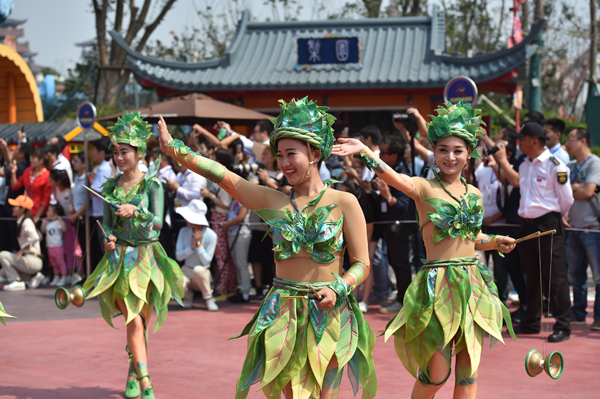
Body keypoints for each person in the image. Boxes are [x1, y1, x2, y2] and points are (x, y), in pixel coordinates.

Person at [158, 97, 377, 399]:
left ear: (314, 153)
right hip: (282, 312)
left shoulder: (345, 202)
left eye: (292, 154)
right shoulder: (272, 200)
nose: (284, 163)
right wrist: (174, 149)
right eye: (280, 155)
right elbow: (223, 175)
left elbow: (362, 264)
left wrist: (340, 287)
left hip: (329, 312)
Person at [333, 101, 517, 399]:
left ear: (469, 155)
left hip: (473, 287)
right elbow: (396, 179)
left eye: (458, 150)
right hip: (438, 289)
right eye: (443, 150)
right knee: (436, 375)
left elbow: (473, 240)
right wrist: (367, 153)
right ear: (434, 152)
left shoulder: (475, 194)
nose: (450, 156)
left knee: (468, 376)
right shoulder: (424, 187)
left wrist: (495, 242)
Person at [82, 112, 184, 399]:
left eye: (124, 151)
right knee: (134, 321)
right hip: (121, 263)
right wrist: (109, 240)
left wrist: (136, 210)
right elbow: (106, 229)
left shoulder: (153, 186)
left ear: (139, 153)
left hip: (149, 260)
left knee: (142, 323)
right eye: (115, 152)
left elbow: (158, 222)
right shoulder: (111, 188)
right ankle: (147, 384)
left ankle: (131, 374)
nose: (119, 157)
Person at [494, 122, 574, 342]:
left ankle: (563, 325)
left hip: (548, 223)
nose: (519, 142)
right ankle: (531, 322)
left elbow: (566, 198)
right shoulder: (526, 165)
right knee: (533, 275)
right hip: (527, 223)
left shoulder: (554, 165)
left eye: (523, 138)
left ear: (535, 141)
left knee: (555, 277)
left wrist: (560, 217)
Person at [564, 128, 600, 331]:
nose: (567, 144)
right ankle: (578, 313)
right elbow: (561, 191)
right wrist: (576, 188)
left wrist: (577, 188)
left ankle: (598, 316)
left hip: (593, 228)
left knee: (598, 275)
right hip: (574, 227)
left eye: (571, 139)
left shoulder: (595, 163)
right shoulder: (569, 165)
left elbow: (588, 191)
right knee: (575, 274)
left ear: (583, 141)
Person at [175, 199, 218, 311]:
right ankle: (187, 297)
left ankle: (209, 298)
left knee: (199, 270)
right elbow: (178, 256)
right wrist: (192, 246)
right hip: (186, 270)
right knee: (177, 278)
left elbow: (207, 262)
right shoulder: (183, 231)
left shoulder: (211, 235)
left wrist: (198, 245)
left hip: (202, 272)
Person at [0, 195, 44, 291]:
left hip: (33, 259)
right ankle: (33, 277)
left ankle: (16, 281)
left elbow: (36, 237)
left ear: (22, 209)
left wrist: (21, 250)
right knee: (3, 272)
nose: (13, 208)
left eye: (15, 206)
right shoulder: (23, 221)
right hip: (31, 259)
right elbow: (39, 236)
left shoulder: (26, 222)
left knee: (2, 255)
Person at [49, 169, 81, 283]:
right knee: (67, 249)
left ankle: (80, 273)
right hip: (64, 222)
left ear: (58, 180)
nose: (50, 182)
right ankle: (69, 274)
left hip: (74, 221)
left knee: (77, 249)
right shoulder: (55, 190)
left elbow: (76, 203)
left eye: (51, 180)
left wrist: (72, 208)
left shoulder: (71, 189)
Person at [89, 137, 113, 270]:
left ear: (102, 152)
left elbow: (95, 191)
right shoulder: (106, 167)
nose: (92, 153)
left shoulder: (104, 168)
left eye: (94, 150)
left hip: (102, 214)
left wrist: (90, 179)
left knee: (106, 247)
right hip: (104, 213)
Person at [223, 197, 252, 303]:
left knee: (241, 264)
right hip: (233, 233)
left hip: (241, 233)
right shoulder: (234, 199)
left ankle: (245, 293)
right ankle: (241, 290)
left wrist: (226, 225)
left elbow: (241, 217)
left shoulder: (242, 198)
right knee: (237, 264)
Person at [67, 152, 86, 282]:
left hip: (83, 216)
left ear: (84, 163)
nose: (74, 164)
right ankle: (82, 273)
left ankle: (87, 274)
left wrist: (76, 214)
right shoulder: (76, 178)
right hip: (76, 215)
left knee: (86, 247)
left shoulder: (87, 178)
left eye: (76, 161)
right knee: (79, 246)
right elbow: (76, 197)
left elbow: (87, 201)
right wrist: (71, 205)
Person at [41, 203, 67, 286]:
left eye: (48, 211)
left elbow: (64, 229)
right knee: (53, 263)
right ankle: (56, 276)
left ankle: (63, 277)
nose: (47, 213)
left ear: (55, 214)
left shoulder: (57, 222)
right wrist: (43, 223)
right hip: (50, 246)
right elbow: (43, 231)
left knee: (60, 262)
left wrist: (60, 220)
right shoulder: (48, 222)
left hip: (57, 246)